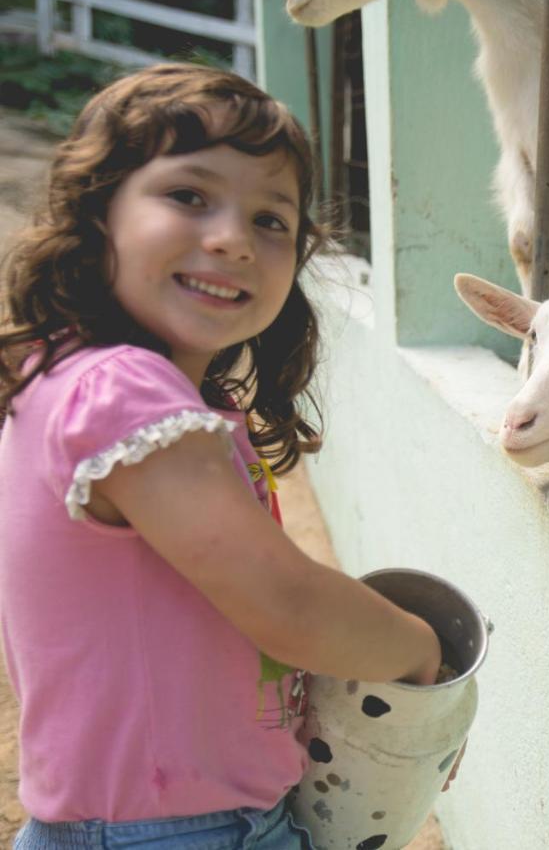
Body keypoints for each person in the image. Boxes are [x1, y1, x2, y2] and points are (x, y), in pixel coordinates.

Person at [0, 63, 447, 848]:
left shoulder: (105, 385)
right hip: (174, 833)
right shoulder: (121, 393)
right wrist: (421, 650)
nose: (233, 239)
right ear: (97, 210)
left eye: (272, 220)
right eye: (188, 196)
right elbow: (291, 609)